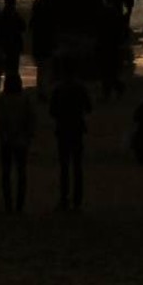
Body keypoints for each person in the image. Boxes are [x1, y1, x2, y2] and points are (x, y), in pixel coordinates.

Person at [49, 65, 93, 211]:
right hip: (77, 128)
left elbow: (52, 111)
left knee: (64, 166)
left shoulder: (58, 89)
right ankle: (77, 199)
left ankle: (64, 198)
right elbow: (88, 108)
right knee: (77, 166)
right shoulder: (80, 88)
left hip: (62, 129)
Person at [0, 68, 36, 213]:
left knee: (6, 173)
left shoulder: (2, 99)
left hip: (7, 139)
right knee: (21, 172)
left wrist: (3, 133)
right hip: (21, 139)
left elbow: (0, 120)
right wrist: (28, 134)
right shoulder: (24, 99)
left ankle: (8, 203)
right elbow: (30, 119)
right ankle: (19, 204)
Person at [0, 0, 27, 76]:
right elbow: (23, 26)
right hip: (13, 45)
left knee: (9, 68)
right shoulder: (14, 14)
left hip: (7, 45)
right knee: (13, 68)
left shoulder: (3, 14)